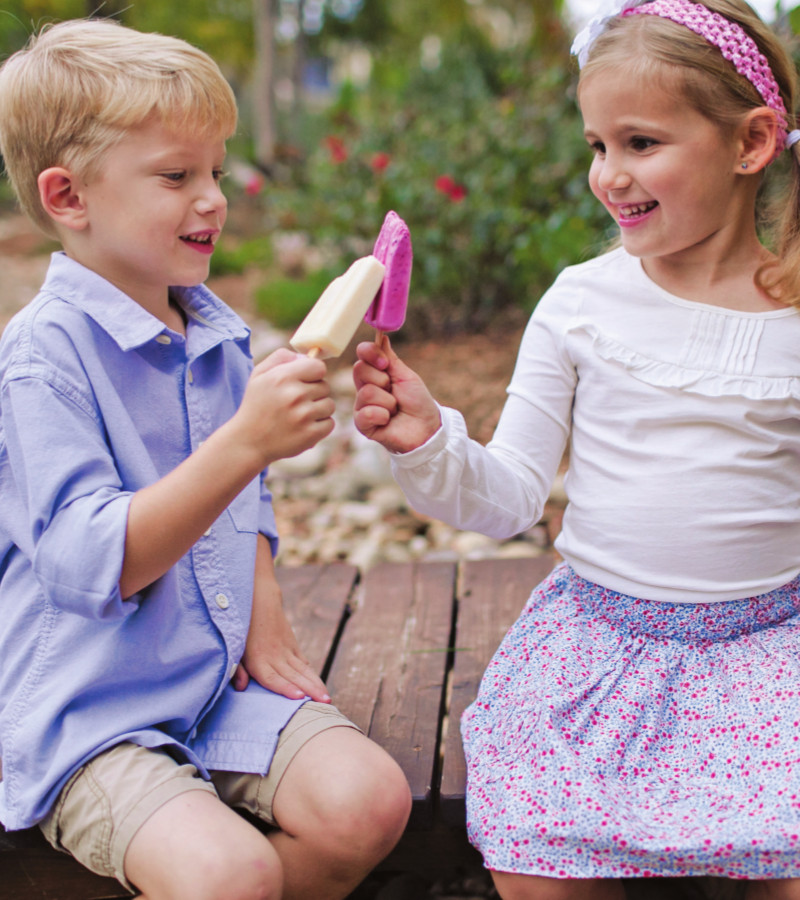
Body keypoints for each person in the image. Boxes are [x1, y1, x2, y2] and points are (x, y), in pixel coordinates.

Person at [353, 1, 800, 897]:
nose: (609, 175)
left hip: (768, 654)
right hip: (599, 652)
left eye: (641, 143)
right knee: (538, 855)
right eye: (598, 145)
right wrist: (430, 440)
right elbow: (512, 493)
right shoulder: (581, 303)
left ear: (751, 143)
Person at [0, 18, 411, 900]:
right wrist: (243, 441)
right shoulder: (42, 361)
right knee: (233, 875)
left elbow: (246, 501)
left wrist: (262, 611)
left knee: (371, 803)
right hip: (92, 715)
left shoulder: (212, 333)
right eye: (176, 175)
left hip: (208, 685)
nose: (215, 197)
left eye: (217, 171)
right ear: (70, 196)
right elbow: (88, 565)